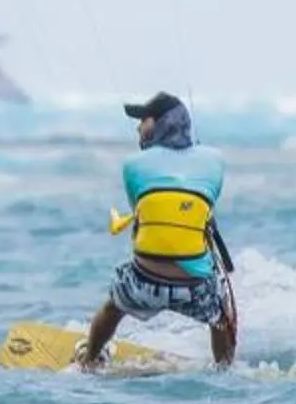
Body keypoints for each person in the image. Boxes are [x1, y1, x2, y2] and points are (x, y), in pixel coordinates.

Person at [80, 90, 238, 369]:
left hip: (144, 282)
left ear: (159, 125)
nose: (139, 127)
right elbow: (206, 204)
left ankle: (89, 359)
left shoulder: (133, 165)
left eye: (144, 120)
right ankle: (224, 369)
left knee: (112, 308)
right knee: (220, 318)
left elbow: (141, 210)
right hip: (195, 287)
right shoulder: (214, 161)